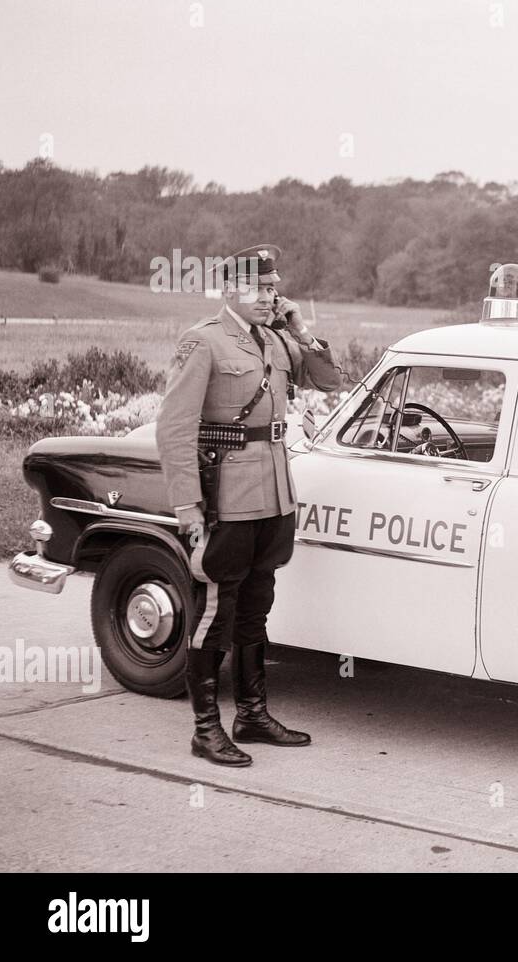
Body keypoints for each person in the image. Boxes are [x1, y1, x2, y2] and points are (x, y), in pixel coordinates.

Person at [156, 244, 342, 766]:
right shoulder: (204, 342)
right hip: (228, 498)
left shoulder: (278, 341)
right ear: (230, 290)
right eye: (260, 288)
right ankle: (205, 728)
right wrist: (188, 507)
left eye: (273, 287)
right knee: (216, 609)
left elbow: (329, 379)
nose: (270, 295)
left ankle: (253, 715)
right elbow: (174, 429)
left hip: (274, 494)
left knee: (257, 606)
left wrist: (300, 329)